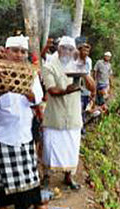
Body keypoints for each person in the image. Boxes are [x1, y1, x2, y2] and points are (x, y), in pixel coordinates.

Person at [0, 35, 56, 209]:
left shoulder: (30, 73)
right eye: (15, 50)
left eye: (22, 51)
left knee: (30, 172)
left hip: (23, 131)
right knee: (2, 176)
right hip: (2, 132)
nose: (18, 55)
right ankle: (2, 207)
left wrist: (27, 91)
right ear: (6, 51)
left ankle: (37, 204)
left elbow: (38, 98)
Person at [42, 36, 94, 190]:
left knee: (71, 148)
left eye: (70, 49)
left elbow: (92, 87)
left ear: (74, 51)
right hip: (55, 116)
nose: (67, 51)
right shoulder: (49, 65)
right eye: (64, 48)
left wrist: (84, 70)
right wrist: (66, 91)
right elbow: (51, 90)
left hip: (73, 116)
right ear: (58, 49)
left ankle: (68, 177)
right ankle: (46, 177)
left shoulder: (77, 65)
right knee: (50, 148)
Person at [75, 36, 94, 126]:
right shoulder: (75, 60)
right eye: (84, 50)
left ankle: (82, 125)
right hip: (77, 90)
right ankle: (80, 128)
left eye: (87, 51)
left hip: (86, 90)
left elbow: (89, 74)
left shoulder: (89, 61)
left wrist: (92, 90)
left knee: (84, 108)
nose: (86, 52)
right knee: (78, 108)